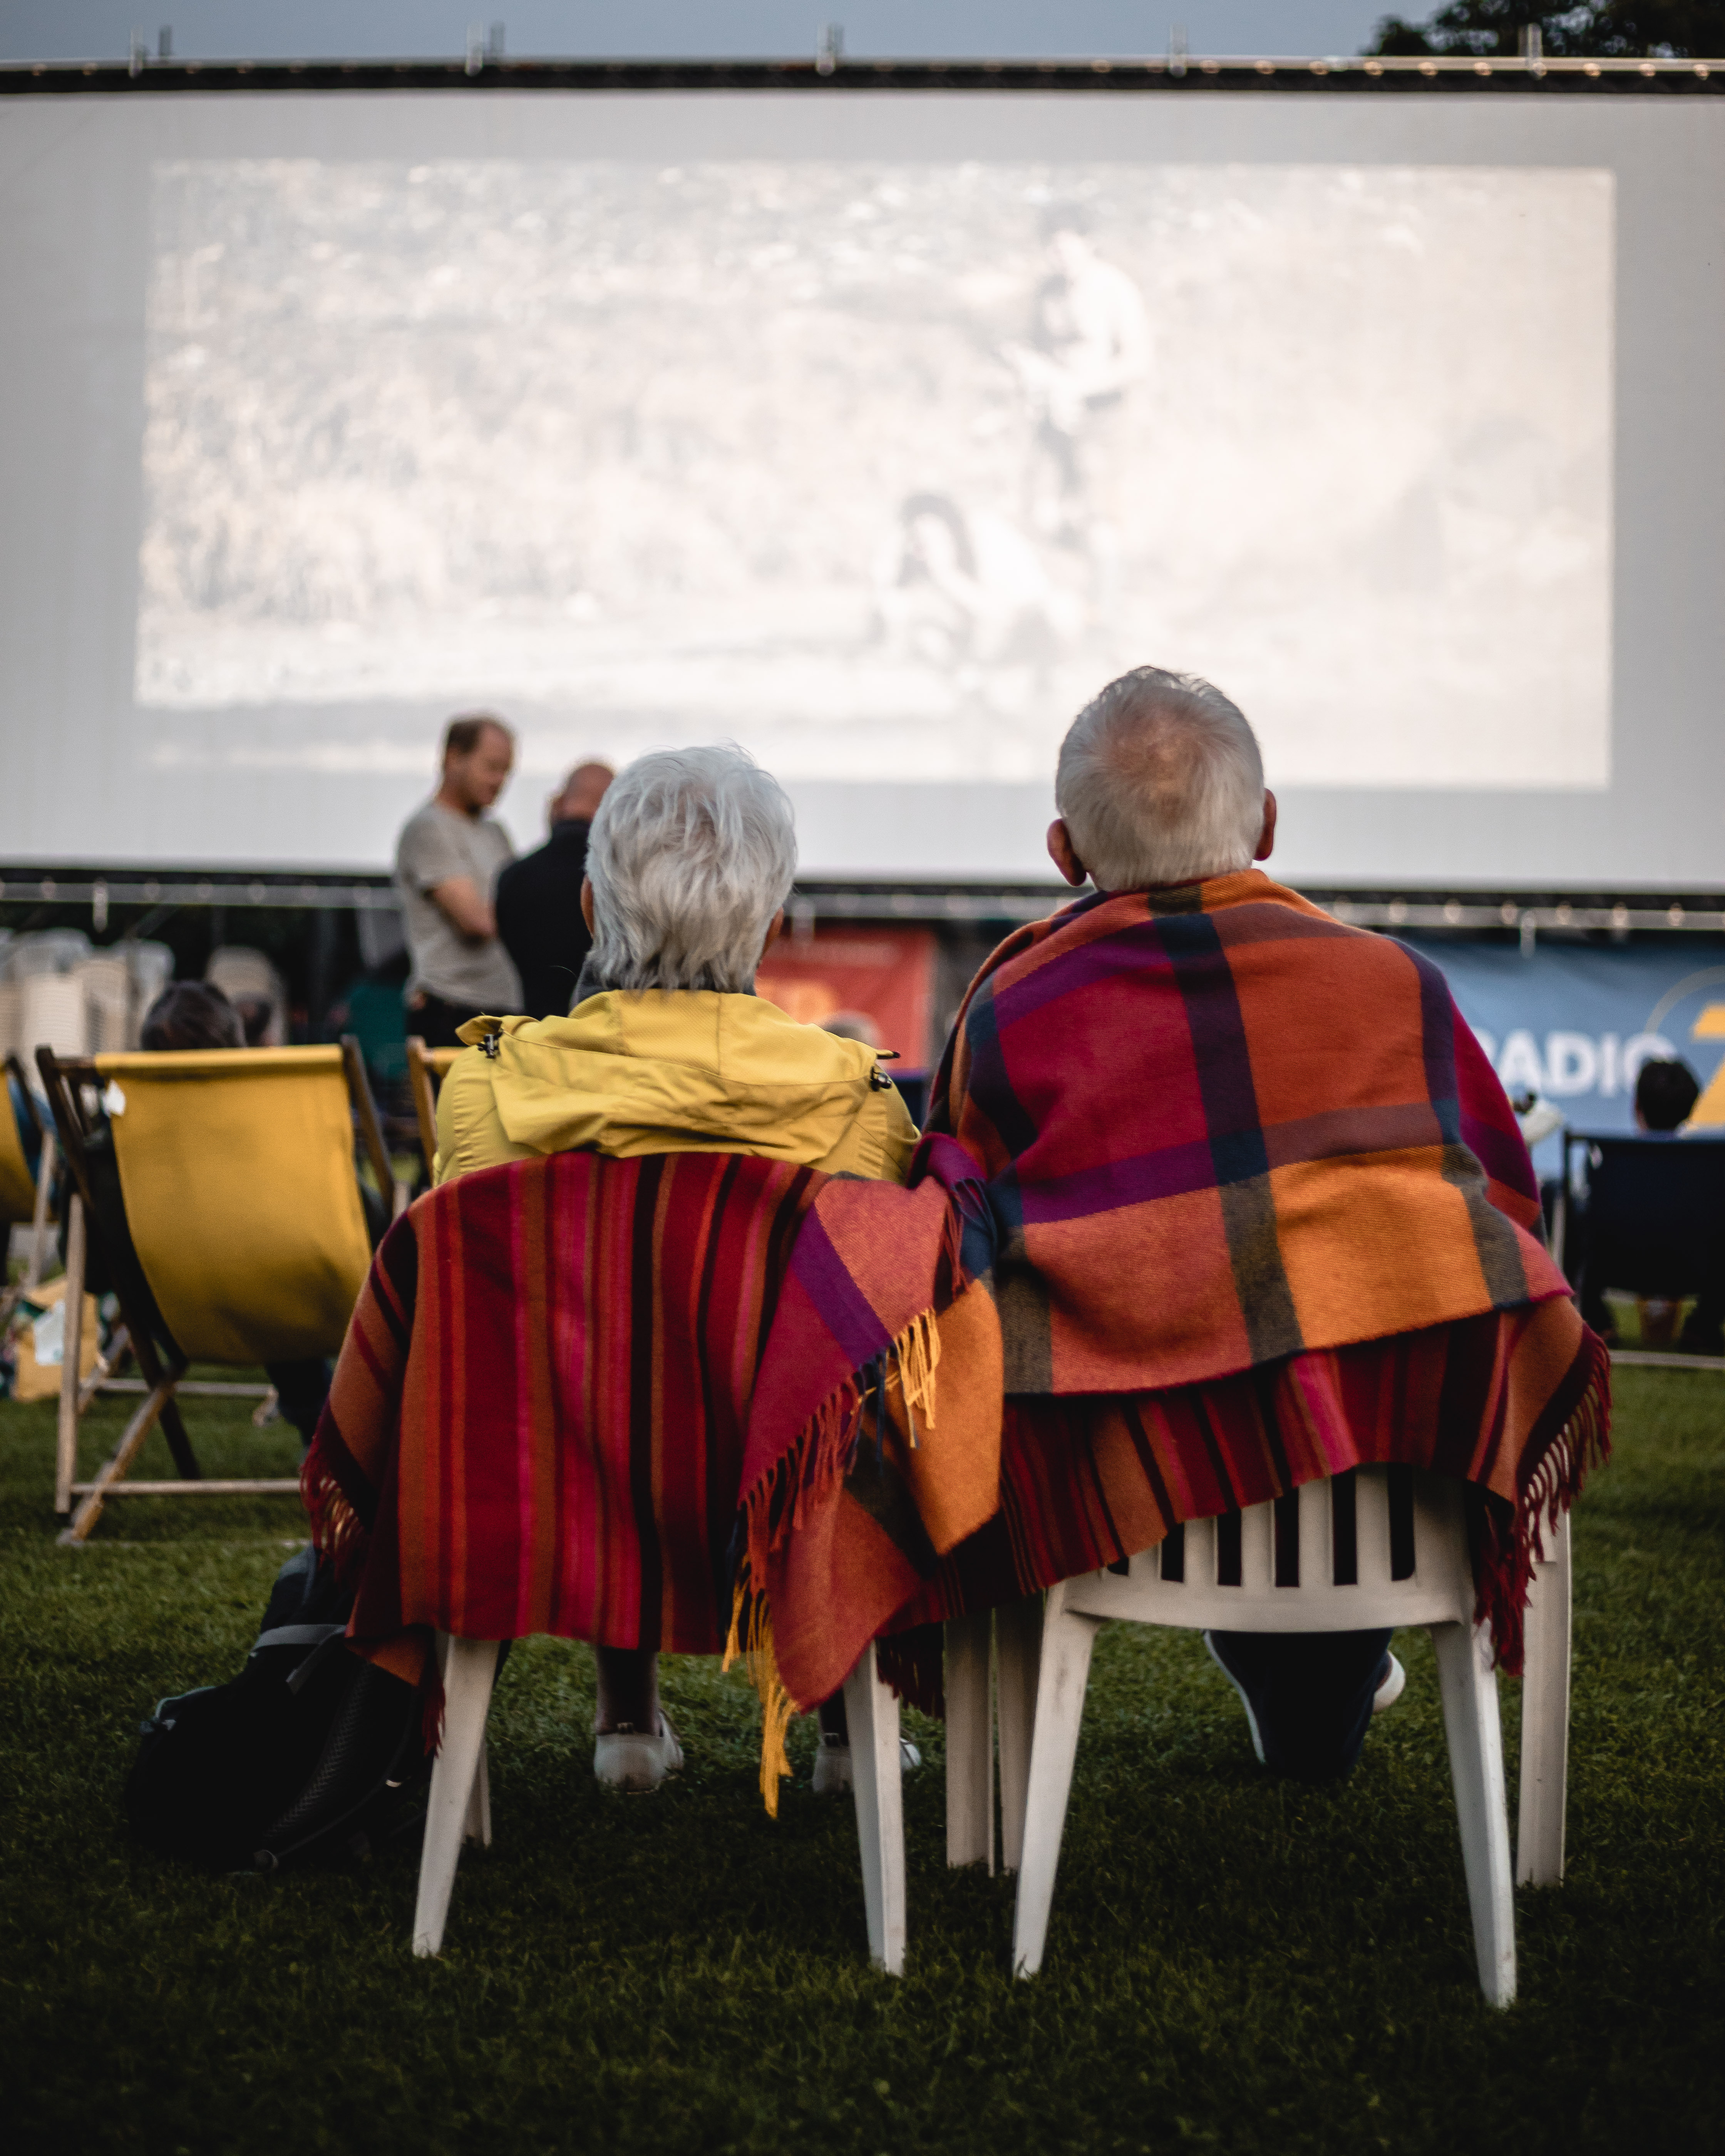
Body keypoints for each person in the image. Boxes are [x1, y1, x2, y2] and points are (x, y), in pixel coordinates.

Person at [916, 666, 1606, 1781]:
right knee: (1363, 1308)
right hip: (1362, 1460)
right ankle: (1321, 1699)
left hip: (1117, 1461)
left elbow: (959, 1236)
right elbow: (1504, 1219)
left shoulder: (1011, 1007)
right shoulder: (1398, 985)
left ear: (1064, 852)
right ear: (1269, 826)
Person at [433, 745, 920, 1790]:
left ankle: (627, 1726)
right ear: (776, 922)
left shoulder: (484, 1095)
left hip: (563, 1500)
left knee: (603, 1354)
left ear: (586, 903)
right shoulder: (858, 1103)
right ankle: (845, 1734)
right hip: (787, 1503)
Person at [134, 983, 336, 1448]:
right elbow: (364, 1227)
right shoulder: (278, 1128)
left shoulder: (122, 1134)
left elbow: (89, 1266)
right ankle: (326, 1432)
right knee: (271, 1277)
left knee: (257, 1279)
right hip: (286, 1303)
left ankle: (323, 1425)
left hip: (166, 1312)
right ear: (237, 1043)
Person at [1002, 204, 1151, 623]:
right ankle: (1087, 595)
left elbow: (1137, 361)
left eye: (1067, 245)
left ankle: (1105, 616)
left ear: (1088, 244)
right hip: (1054, 417)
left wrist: (1080, 386)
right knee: (1042, 515)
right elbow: (1037, 351)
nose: (1059, 254)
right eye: (1051, 247)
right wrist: (1025, 367)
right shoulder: (1046, 292)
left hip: (1104, 418)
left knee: (1099, 521)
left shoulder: (1114, 289)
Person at [394, 713, 522, 1047]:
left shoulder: (496, 831)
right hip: (451, 1009)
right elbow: (476, 922)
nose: (500, 781)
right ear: (453, 758)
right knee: (454, 1102)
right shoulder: (429, 827)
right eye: (491, 767)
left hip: (499, 1010)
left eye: (506, 771)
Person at [493, 760, 614, 1020]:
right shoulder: (617, 880)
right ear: (613, 811)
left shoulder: (513, 877)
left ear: (558, 803)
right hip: (596, 1039)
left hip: (533, 1034)